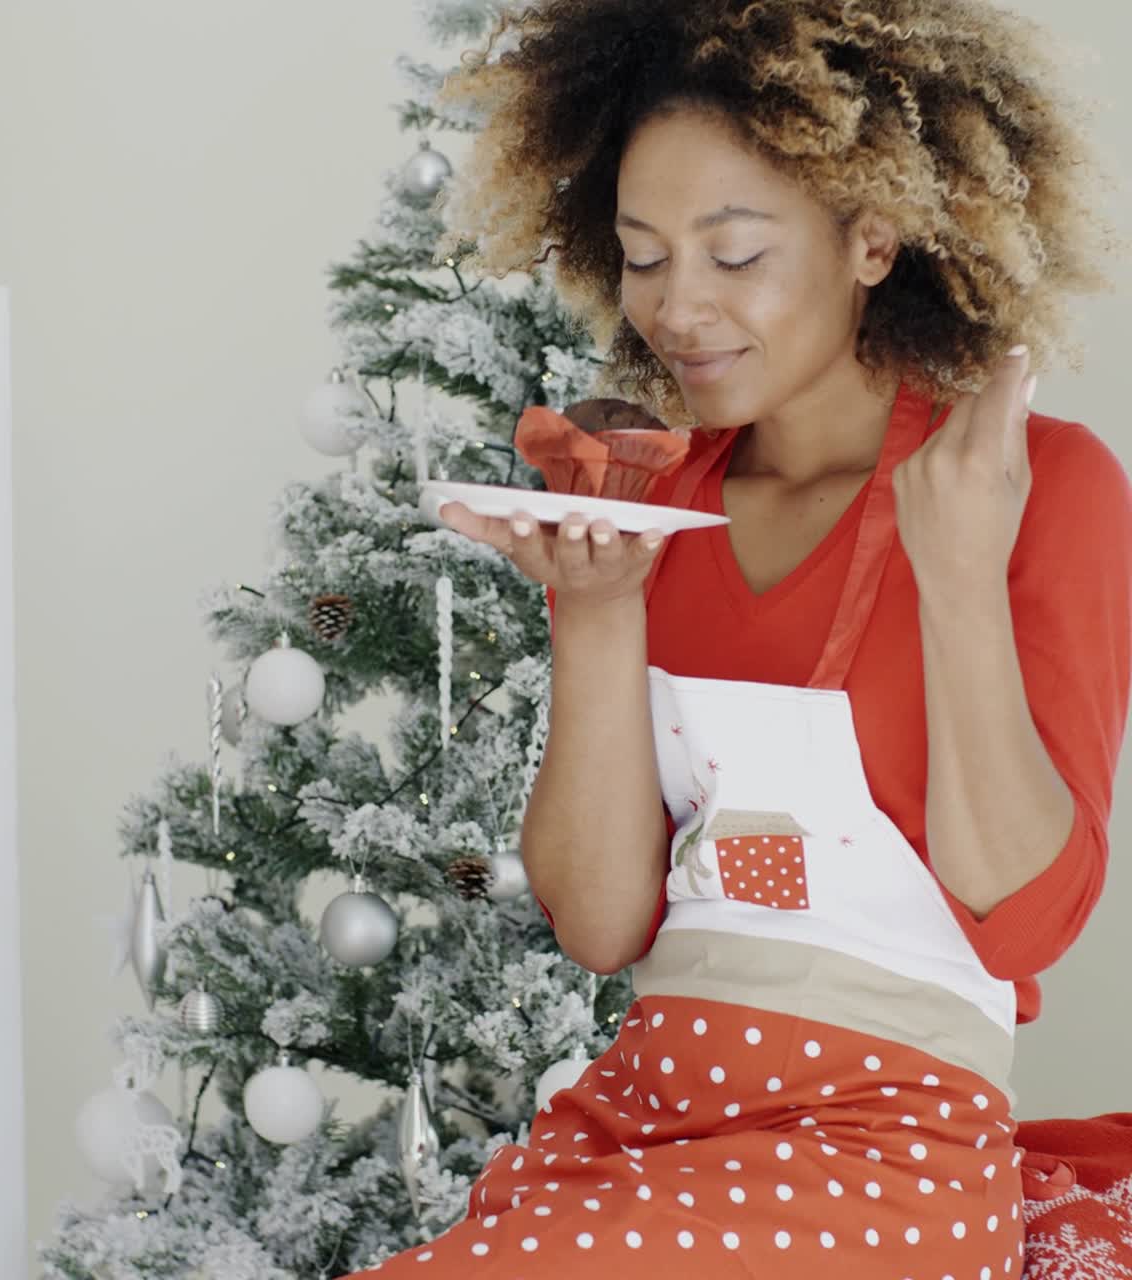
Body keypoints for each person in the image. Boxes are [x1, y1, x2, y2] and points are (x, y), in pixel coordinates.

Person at [353, 0, 1132, 1275]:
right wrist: (595, 613)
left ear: (869, 237)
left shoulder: (1035, 486)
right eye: (643, 254)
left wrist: (955, 579)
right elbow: (603, 925)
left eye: (732, 253)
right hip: (642, 1120)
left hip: (883, 1148)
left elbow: (1023, 920)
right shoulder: (648, 497)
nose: (676, 307)